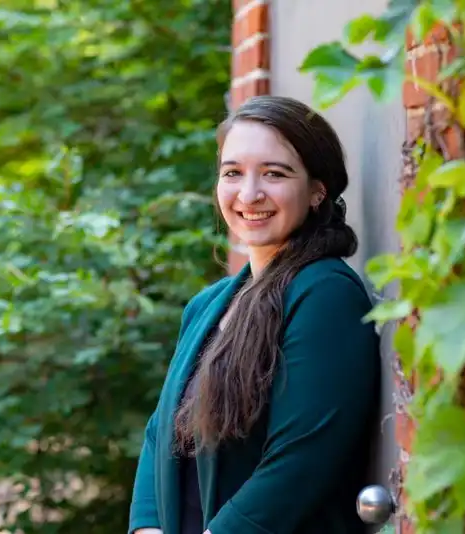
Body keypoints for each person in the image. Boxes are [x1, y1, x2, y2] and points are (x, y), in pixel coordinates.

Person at [129, 95, 381, 534]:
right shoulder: (209, 305)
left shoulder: (325, 294)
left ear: (318, 190)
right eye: (233, 173)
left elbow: (302, 462)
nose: (249, 194)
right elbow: (160, 434)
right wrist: (147, 527)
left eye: (274, 173)